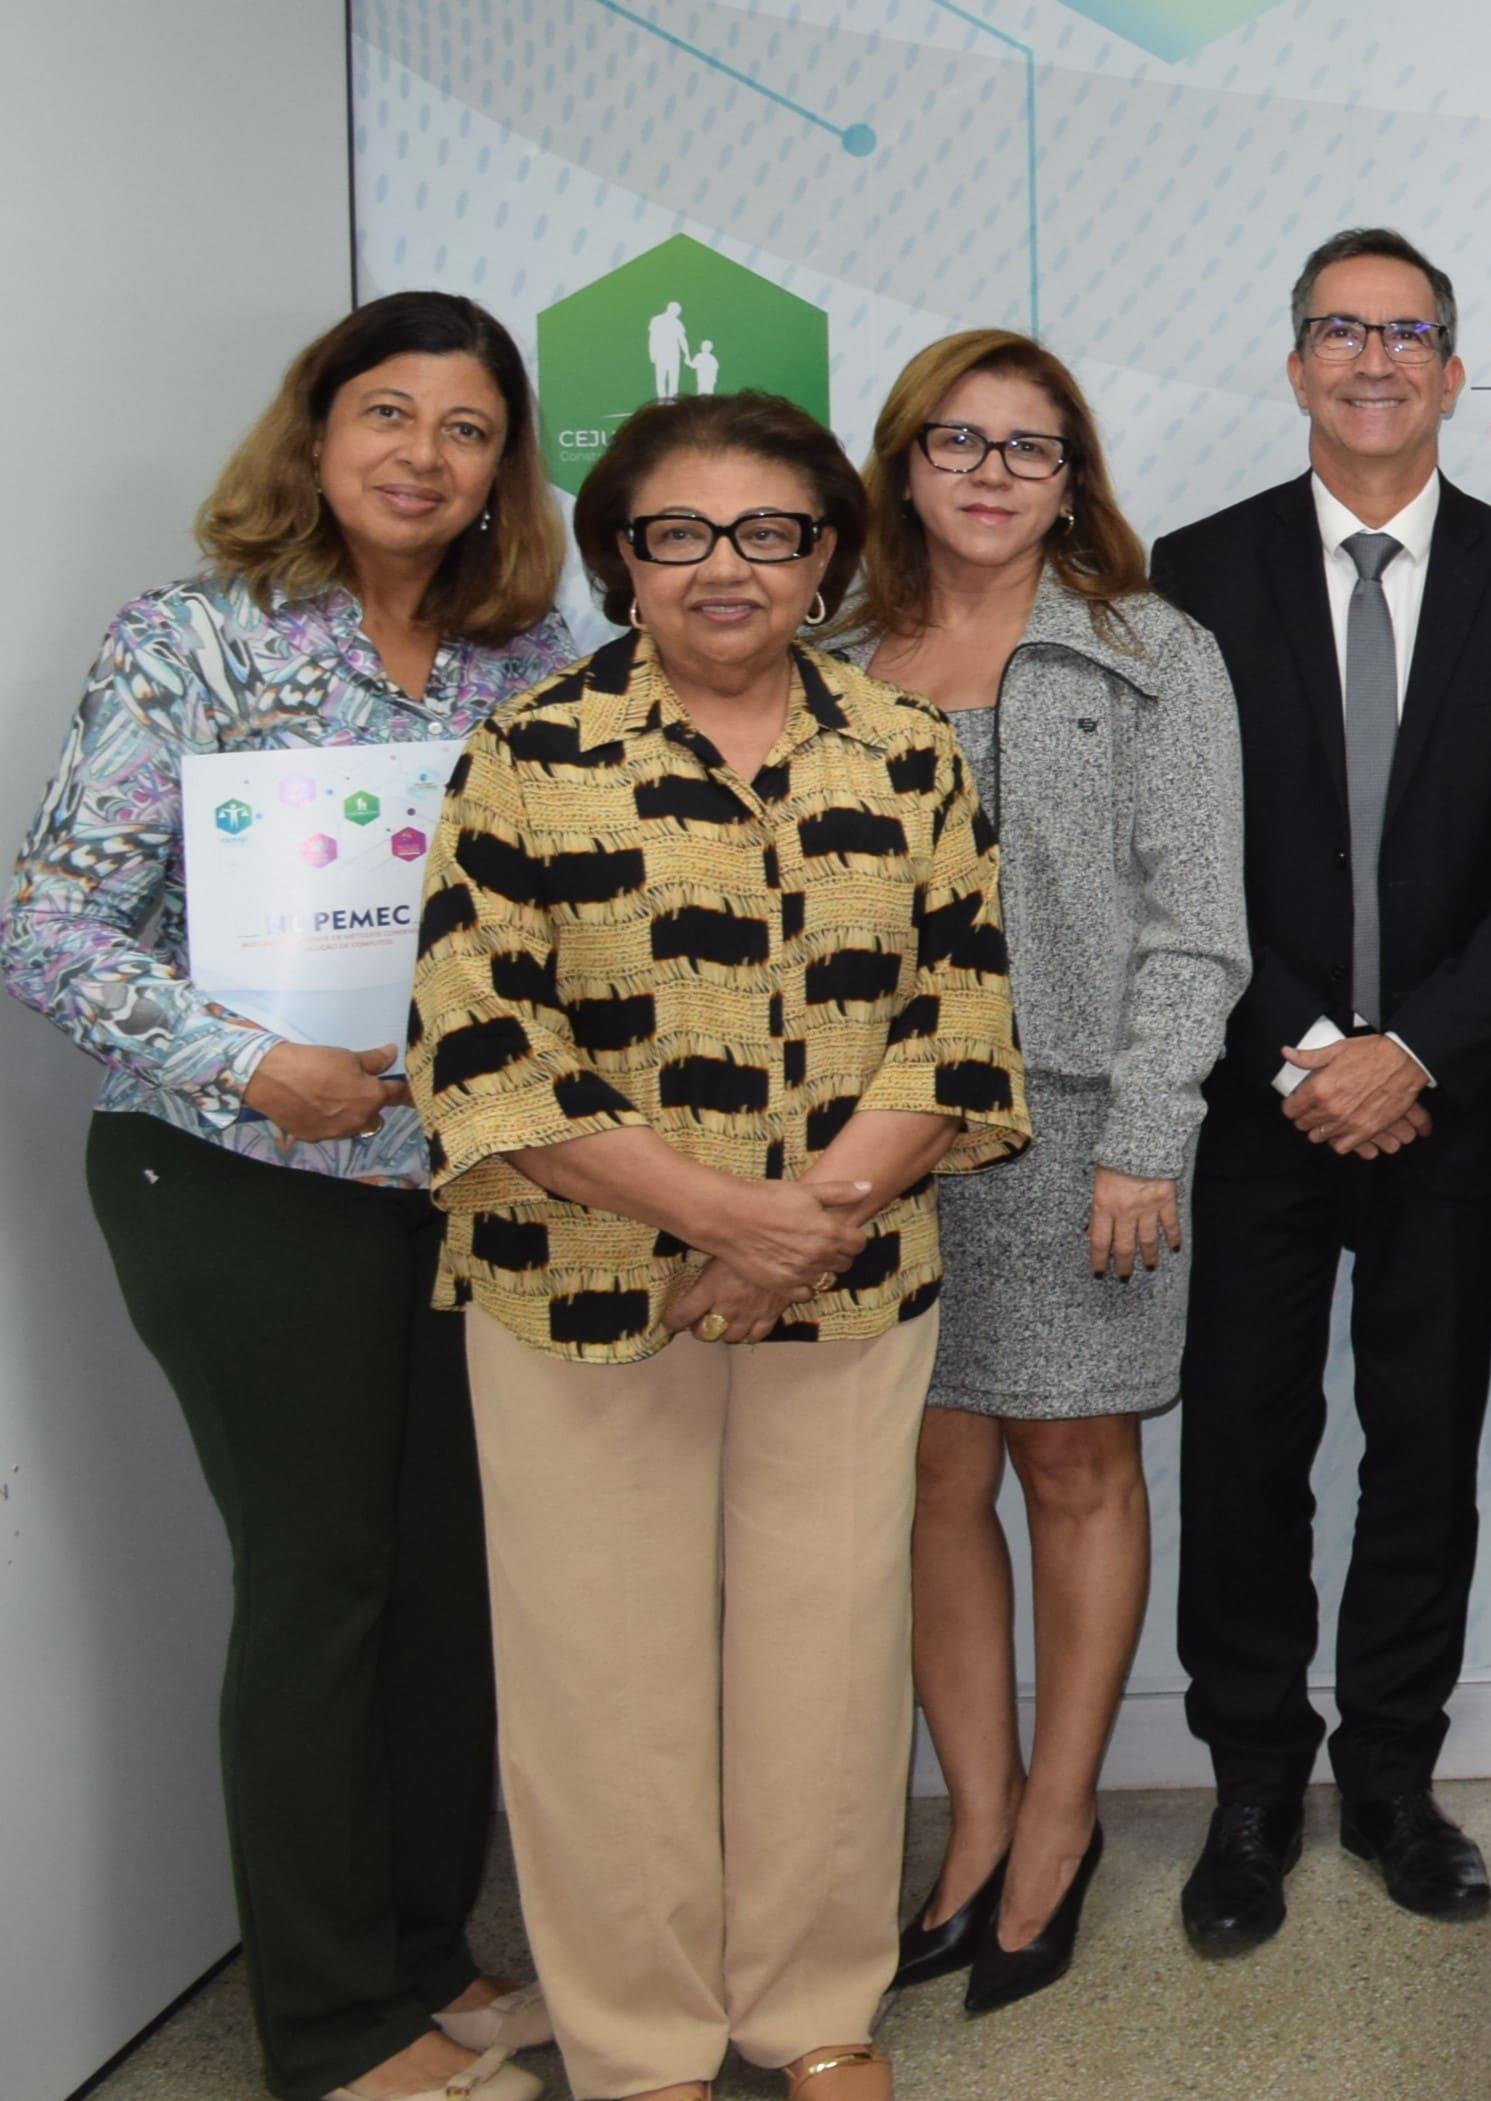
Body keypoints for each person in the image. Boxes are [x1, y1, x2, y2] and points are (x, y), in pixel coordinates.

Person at [409, 391, 1027, 2101]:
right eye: (678, 533)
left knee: (825, 1664)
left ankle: (811, 2011)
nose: (726, 567)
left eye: (770, 532)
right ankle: (639, 2041)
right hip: (582, 1297)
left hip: (845, 1288)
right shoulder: (527, 755)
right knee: (600, 1684)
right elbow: (478, 1053)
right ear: (621, 556)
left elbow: (958, 1025)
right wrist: (718, 1218)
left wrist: (794, 1233)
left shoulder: (904, 751)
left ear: (826, 553)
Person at [2, 294, 567, 2101]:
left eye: (465, 427)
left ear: (503, 466)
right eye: (385, 414)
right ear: (314, 436)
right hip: (239, 1174)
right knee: (323, 1583)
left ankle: (418, 1963)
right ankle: (329, 2033)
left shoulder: (522, 659)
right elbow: (49, 923)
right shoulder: (192, 640)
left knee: (443, 1591)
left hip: (463, 1186)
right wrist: (258, 1067)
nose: (422, 455)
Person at [1150, 230, 1491, 1949]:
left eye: (1404, 331)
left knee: (1422, 1453)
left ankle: (1396, 1786)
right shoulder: (1187, 578)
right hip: (1256, 1099)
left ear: (1452, 366)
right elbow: (1176, 861)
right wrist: (1307, 1054)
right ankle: (1253, 1791)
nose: (1373, 359)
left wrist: (1409, 1050)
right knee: (1247, 1453)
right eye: (1338, 332)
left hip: (1453, 1106)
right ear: (1293, 368)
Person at [839, 334, 1246, 2013]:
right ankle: (975, 1821)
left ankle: (1063, 1823)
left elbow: (1197, 923)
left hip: (1086, 1128)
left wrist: (1149, 1136)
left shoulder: (1151, 652)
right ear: (903, 466)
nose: (995, 473)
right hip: (871, 1135)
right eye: (961, 441)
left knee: (1074, 1464)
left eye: (1033, 446)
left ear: (1074, 476)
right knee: (931, 1475)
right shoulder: (823, 658)